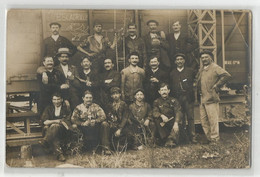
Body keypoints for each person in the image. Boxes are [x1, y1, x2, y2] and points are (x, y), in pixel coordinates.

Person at [195, 50, 231, 143]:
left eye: (206, 57)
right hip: (202, 98)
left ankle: (215, 140)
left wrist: (217, 85)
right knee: (204, 121)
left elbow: (226, 75)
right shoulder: (202, 69)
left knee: (213, 120)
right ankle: (209, 138)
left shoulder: (215, 67)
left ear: (211, 58)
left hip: (211, 98)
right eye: (202, 58)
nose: (204, 59)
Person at [169, 53, 197, 144]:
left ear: (184, 61)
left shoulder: (190, 71)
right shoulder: (172, 73)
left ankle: (192, 137)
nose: (179, 61)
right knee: (180, 118)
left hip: (188, 98)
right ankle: (183, 138)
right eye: (177, 59)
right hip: (178, 99)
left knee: (190, 118)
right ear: (175, 62)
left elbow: (196, 82)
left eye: (181, 59)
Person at [39, 93, 72, 162]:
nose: (56, 101)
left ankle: (45, 141)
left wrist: (52, 122)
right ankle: (59, 155)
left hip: (63, 131)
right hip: (49, 131)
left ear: (61, 100)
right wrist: (56, 121)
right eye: (54, 99)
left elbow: (66, 122)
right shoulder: (49, 108)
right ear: (52, 100)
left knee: (55, 127)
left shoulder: (66, 109)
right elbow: (44, 122)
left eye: (58, 99)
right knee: (54, 131)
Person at [152, 83, 182, 147]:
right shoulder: (156, 101)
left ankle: (171, 140)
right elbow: (155, 112)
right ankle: (165, 139)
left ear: (169, 91)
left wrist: (176, 123)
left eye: (165, 90)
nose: (164, 92)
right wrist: (161, 115)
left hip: (172, 121)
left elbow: (178, 112)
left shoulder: (174, 101)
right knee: (156, 120)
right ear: (159, 92)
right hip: (163, 123)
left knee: (178, 120)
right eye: (162, 90)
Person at [105, 87, 131, 151]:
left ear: (120, 94)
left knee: (128, 135)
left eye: (117, 93)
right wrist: (113, 126)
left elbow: (125, 117)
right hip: (113, 126)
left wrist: (120, 129)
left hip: (123, 125)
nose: (115, 95)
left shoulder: (124, 104)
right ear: (111, 96)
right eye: (113, 94)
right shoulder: (109, 105)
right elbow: (109, 117)